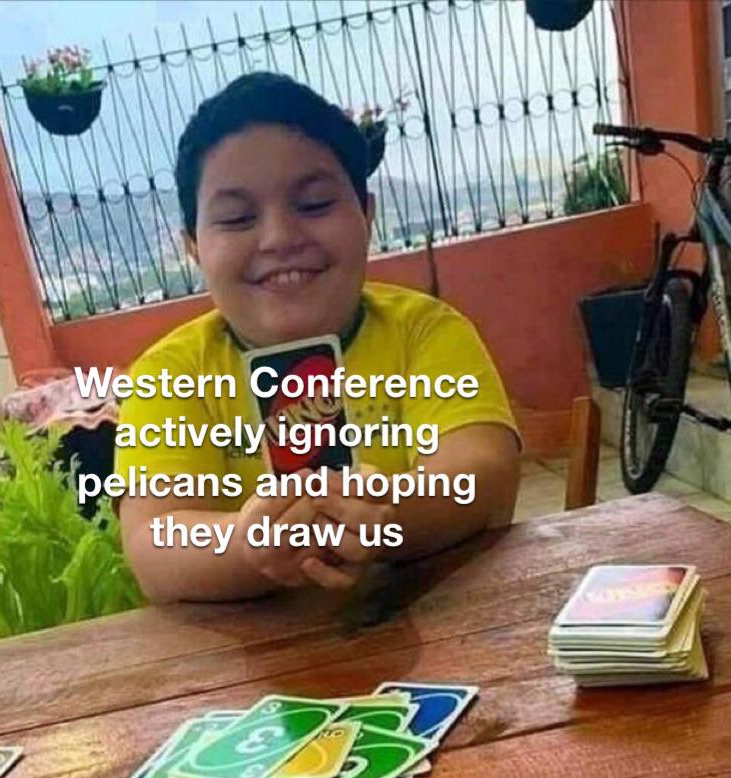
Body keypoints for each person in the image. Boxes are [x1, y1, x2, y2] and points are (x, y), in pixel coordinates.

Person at [117, 72, 520, 603]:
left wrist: (385, 513)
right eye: (237, 218)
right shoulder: (169, 374)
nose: (280, 238)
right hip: (254, 651)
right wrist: (246, 544)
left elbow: (484, 471)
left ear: (367, 215)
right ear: (193, 246)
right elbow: (153, 542)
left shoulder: (425, 331)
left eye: (313, 205)